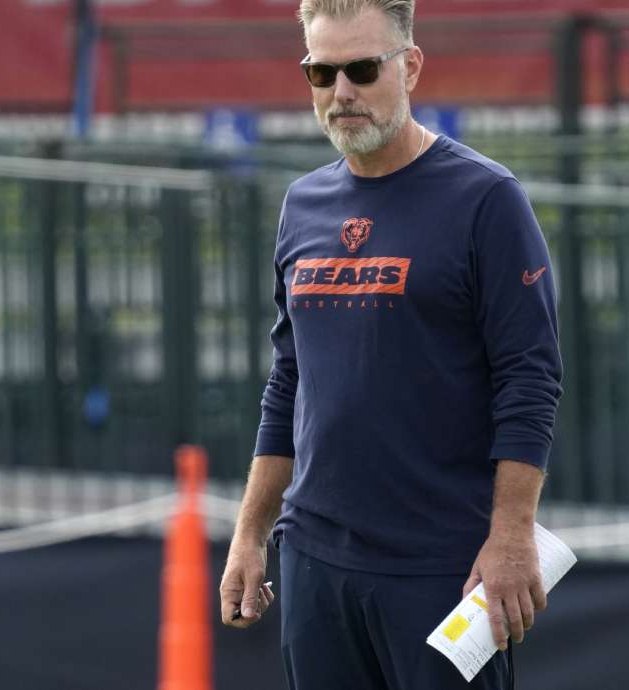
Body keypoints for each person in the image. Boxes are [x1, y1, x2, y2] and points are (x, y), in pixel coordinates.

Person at [218, 1, 562, 689]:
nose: (342, 92)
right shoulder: (302, 204)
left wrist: (511, 535)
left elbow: (530, 378)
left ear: (411, 68)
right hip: (314, 560)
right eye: (322, 73)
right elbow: (288, 380)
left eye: (363, 69)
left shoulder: (487, 198)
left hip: (440, 567)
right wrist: (250, 532)